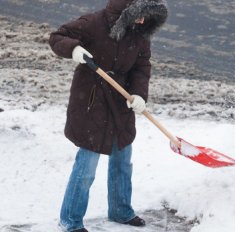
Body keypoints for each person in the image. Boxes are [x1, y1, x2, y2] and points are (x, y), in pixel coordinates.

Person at [49, 0, 168, 231]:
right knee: (87, 167)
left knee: (122, 161)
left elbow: (142, 68)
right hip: (91, 101)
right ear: (126, 11)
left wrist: (139, 95)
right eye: (140, 14)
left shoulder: (140, 34)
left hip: (121, 103)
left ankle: (120, 211)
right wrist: (74, 48)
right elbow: (57, 37)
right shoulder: (93, 23)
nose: (143, 20)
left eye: (147, 16)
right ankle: (70, 221)